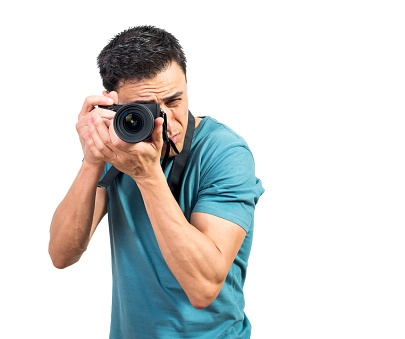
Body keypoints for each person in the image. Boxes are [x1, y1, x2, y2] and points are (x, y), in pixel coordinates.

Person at [49, 26, 264, 339]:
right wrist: (93, 161)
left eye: (175, 100)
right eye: (147, 110)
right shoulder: (118, 146)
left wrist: (147, 175)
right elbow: (61, 254)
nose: (165, 123)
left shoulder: (224, 152)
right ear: (113, 105)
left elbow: (203, 289)